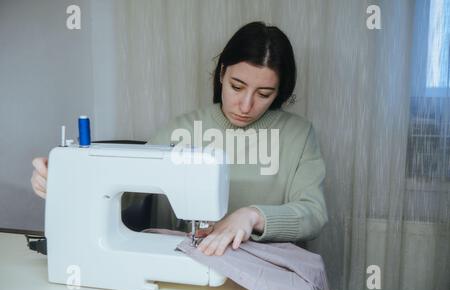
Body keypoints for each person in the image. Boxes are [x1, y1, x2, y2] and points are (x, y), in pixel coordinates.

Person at [31, 21, 328, 257]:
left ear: (280, 93)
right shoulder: (180, 130)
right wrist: (66, 180)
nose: (246, 105)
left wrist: (252, 216)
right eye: (237, 86)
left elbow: (314, 213)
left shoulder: (298, 135)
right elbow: (126, 190)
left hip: (263, 269)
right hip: (193, 260)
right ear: (222, 73)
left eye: (264, 94)